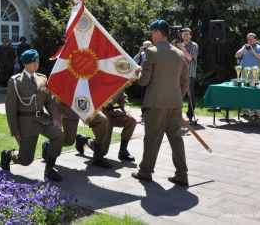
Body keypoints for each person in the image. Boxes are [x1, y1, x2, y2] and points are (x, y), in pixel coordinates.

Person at [131, 19, 190, 186]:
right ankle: (182, 174)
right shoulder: (179, 54)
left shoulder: (151, 52)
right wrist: (177, 97)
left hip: (156, 104)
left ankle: (145, 171)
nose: (152, 35)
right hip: (175, 104)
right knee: (176, 139)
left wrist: (139, 72)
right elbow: (184, 82)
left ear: (157, 32)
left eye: (152, 32)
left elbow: (143, 82)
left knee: (152, 138)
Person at [0, 49, 64, 181]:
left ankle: (49, 169)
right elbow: (10, 108)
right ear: (25, 64)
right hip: (26, 122)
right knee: (25, 160)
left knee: (58, 135)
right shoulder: (16, 81)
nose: (36, 64)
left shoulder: (42, 78)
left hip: (42, 119)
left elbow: (49, 101)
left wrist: (56, 118)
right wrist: (15, 131)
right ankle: (8, 155)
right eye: (33, 62)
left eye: (37, 61)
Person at [42, 102, 113, 168]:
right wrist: (56, 114)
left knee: (103, 120)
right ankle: (48, 145)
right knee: (69, 141)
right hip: (68, 108)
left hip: (84, 103)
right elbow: (51, 96)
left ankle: (97, 157)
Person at [75, 90, 137, 163]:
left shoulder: (117, 81)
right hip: (98, 115)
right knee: (102, 151)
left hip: (110, 113)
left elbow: (123, 99)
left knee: (131, 120)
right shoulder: (95, 81)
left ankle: (123, 151)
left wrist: (127, 111)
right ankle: (84, 139)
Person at [234, 33, 260, 118]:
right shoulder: (245, 47)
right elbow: (236, 55)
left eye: (251, 39)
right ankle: (246, 111)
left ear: (255, 39)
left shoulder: (259, 47)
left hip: (254, 72)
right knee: (244, 91)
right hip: (244, 72)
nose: (249, 41)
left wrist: (253, 51)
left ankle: (257, 112)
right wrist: (243, 50)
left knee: (255, 92)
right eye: (248, 39)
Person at [176, 28, 198, 124]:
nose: (184, 36)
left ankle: (190, 116)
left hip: (189, 74)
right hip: (177, 73)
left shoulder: (194, 45)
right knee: (177, 94)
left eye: (186, 34)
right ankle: (176, 115)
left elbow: (189, 57)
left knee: (190, 95)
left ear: (190, 36)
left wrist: (181, 47)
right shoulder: (177, 45)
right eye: (183, 34)